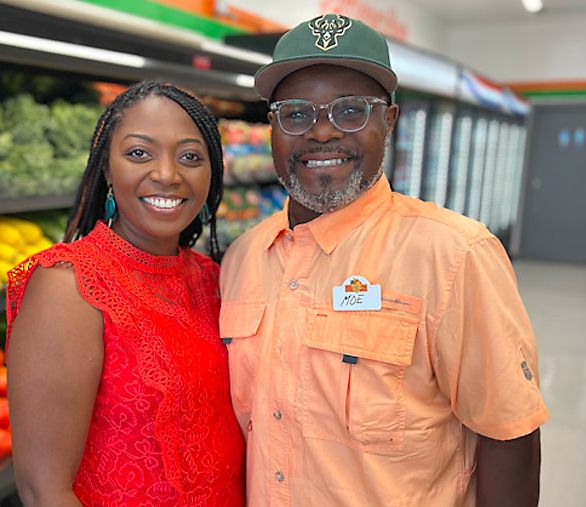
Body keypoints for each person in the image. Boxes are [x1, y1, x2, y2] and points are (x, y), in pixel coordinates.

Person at [219, 13, 549, 506]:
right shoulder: (243, 256)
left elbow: (510, 438)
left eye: (350, 111)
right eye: (296, 114)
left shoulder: (455, 255)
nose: (322, 133)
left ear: (388, 121)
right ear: (273, 126)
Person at [6, 81, 245, 506]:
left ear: (212, 173)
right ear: (106, 169)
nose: (167, 174)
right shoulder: (69, 284)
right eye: (139, 153)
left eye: (190, 156)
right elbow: (45, 492)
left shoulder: (211, 279)